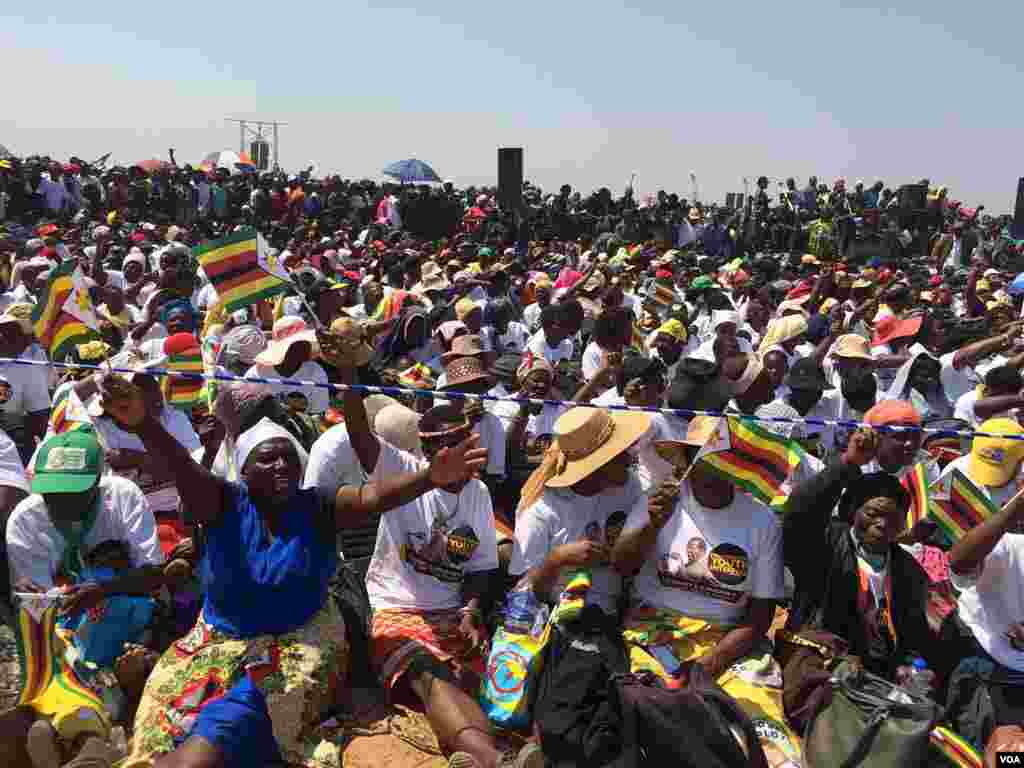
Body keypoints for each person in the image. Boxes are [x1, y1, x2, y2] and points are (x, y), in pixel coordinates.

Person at [93, 351, 490, 768]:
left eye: (289, 457)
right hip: (215, 643)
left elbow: (373, 497)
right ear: (243, 472)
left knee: (228, 725)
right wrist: (143, 424)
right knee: (163, 729)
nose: (282, 464)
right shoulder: (223, 503)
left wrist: (430, 478)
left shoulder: (317, 507)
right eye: (268, 458)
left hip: (299, 643)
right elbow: (179, 464)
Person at [336, 352, 542, 768]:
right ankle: (496, 760)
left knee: (487, 681)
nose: (458, 452)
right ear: (427, 450)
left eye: (463, 441)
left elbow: (483, 567)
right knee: (429, 672)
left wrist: (471, 610)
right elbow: (360, 434)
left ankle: (485, 756)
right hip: (396, 611)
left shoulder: (478, 494)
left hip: (450, 613)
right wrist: (348, 371)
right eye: (444, 446)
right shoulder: (405, 470)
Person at [611, 416, 800, 766]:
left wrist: (712, 662)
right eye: (700, 460)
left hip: (730, 642)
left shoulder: (761, 521)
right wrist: (652, 524)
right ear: (686, 463)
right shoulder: (659, 500)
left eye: (720, 461)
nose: (710, 471)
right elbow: (621, 566)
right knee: (662, 715)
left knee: (760, 727)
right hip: (656, 634)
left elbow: (760, 615)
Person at [778, 427, 941, 732]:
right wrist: (849, 463)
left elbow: (914, 636)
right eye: (873, 513)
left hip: (879, 677)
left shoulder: (909, 571)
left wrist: (914, 667)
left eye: (892, 519)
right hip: (821, 665)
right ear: (852, 512)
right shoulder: (825, 544)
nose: (881, 524)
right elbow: (800, 511)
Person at [244, 316, 330, 415]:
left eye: (307, 341)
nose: (306, 346)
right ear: (283, 348)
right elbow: (248, 412)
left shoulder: (315, 372)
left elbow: (318, 412)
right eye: (299, 343)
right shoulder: (256, 375)